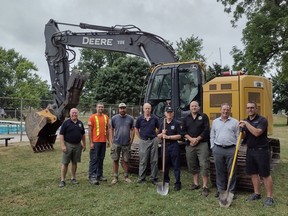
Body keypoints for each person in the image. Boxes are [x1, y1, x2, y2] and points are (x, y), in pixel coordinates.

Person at [239, 102, 274, 207]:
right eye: (248, 108)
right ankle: (257, 193)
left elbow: (257, 133)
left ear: (256, 109)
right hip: (250, 150)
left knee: (265, 174)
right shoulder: (245, 121)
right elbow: (243, 136)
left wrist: (246, 124)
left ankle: (269, 197)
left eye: (252, 108)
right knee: (253, 173)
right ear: (246, 109)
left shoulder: (262, 120)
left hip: (261, 151)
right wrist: (241, 130)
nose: (250, 109)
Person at [210, 103, 239, 198]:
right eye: (224, 109)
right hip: (218, 149)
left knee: (231, 171)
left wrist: (236, 148)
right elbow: (212, 135)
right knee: (219, 170)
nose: (225, 111)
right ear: (220, 110)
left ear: (230, 111)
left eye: (227, 109)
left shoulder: (235, 122)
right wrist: (212, 146)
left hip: (231, 149)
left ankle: (231, 191)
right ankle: (221, 190)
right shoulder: (215, 122)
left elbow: (239, 136)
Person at [182, 100, 210, 196]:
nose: (194, 107)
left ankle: (205, 186)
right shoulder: (186, 118)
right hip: (190, 144)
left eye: (195, 106)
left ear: (199, 107)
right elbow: (183, 131)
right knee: (191, 163)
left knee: (204, 164)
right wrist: (191, 139)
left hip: (202, 143)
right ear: (189, 108)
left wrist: (197, 139)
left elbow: (206, 130)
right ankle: (196, 183)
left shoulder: (204, 117)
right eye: (192, 106)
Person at [58, 108, 86, 188]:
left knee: (74, 162)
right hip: (68, 145)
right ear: (70, 114)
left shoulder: (80, 123)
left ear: (78, 114)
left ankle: (73, 178)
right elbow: (61, 135)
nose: (74, 114)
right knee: (65, 163)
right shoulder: (66, 123)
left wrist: (84, 144)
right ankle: (62, 180)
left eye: (75, 113)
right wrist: (63, 145)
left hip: (77, 145)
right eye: (73, 113)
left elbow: (83, 135)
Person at [157, 106, 182, 191]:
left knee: (176, 165)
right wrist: (162, 134)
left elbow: (179, 136)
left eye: (171, 112)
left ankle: (177, 183)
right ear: (165, 114)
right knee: (165, 164)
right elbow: (158, 136)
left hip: (174, 145)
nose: (169, 114)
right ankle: (166, 181)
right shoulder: (162, 123)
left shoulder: (176, 123)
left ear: (173, 114)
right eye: (168, 112)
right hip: (164, 146)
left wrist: (168, 137)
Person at [110, 102, 135, 184]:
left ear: (126, 109)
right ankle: (115, 177)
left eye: (124, 108)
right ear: (118, 109)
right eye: (121, 108)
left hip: (126, 143)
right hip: (116, 143)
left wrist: (131, 139)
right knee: (115, 159)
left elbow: (132, 129)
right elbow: (111, 129)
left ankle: (126, 177)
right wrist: (112, 138)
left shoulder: (130, 118)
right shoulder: (114, 118)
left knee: (126, 160)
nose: (122, 109)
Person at [135, 102, 159, 184]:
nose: (147, 110)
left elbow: (159, 128)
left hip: (153, 140)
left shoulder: (154, 118)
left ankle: (154, 178)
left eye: (149, 108)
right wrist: (141, 137)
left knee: (154, 160)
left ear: (151, 109)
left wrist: (156, 136)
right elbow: (136, 129)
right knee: (143, 160)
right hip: (143, 141)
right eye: (146, 108)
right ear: (143, 109)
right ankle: (141, 178)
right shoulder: (139, 119)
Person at [88, 102, 110, 185]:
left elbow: (107, 129)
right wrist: (91, 142)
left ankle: (99, 175)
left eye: (102, 107)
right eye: (99, 107)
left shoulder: (106, 117)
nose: (101, 108)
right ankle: (92, 176)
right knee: (94, 159)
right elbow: (89, 131)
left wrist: (107, 140)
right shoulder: (92, 117)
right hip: (95, 142)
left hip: (103, 142)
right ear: (96, 108)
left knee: (101, 159)